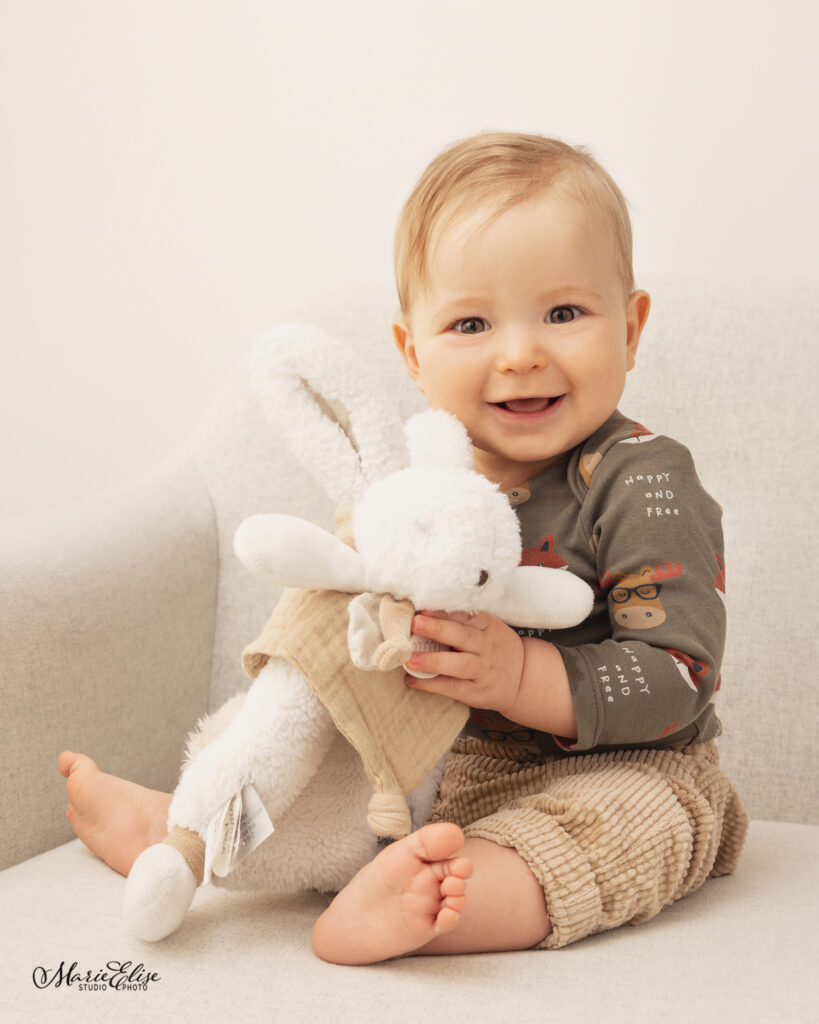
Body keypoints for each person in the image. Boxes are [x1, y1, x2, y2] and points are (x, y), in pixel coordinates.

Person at [59, 131, 748, 965]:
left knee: (636, 828)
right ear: (412, 356)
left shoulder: (641, 478)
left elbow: (678, 673)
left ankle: (437, 903)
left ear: (629, 328)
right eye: (470, 322)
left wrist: (521, 676)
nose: (521, 351)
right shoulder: (411, 491)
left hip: (615, 765)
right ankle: (193, 829)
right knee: (303, 741)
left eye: (562, 313)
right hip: (424, 765)